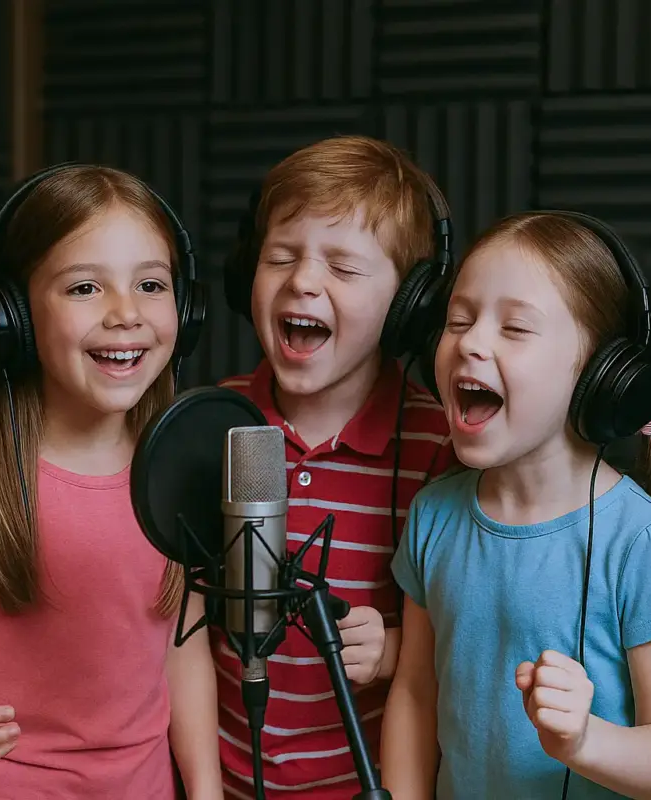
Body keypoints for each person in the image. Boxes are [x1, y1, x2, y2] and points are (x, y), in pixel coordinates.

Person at [0, 163, 223, 800]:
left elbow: (181, 652)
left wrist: (206, 790)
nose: (125, 314)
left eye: (150, 284)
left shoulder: (181, 472)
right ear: (14, 318)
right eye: (85, 288)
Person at [381, 212, 651, 799]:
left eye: (515, 328)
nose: (470, 343)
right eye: (459, 319)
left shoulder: (648, 545)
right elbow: (414, 691)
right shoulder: (434, 516)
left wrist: (585, 742)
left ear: (601, 376)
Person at [215, 135, 458, 799]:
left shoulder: (438, 448)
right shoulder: (211, 425)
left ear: (411, 305)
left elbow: (465, 642)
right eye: (280, 257)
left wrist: (397, 646)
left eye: (344, 269)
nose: (302, 281)